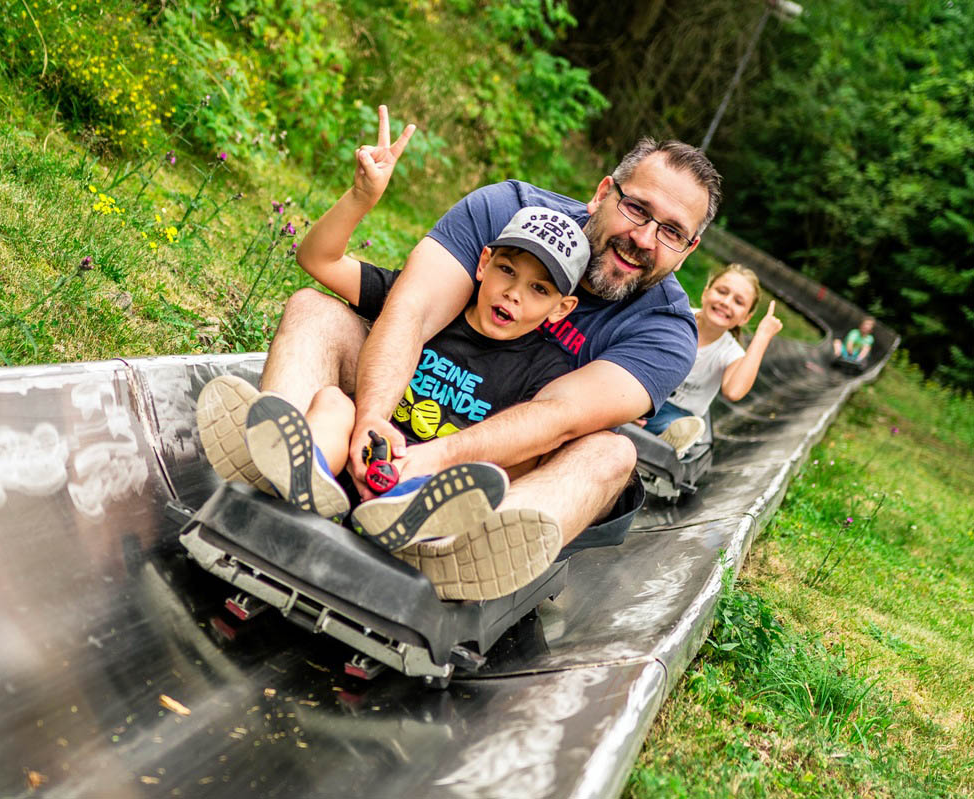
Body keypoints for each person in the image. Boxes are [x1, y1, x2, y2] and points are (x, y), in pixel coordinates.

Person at [200, 105, 721, 600]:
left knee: (613, 453)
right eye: (636, 209)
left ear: (690, 248)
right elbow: (411, 310)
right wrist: (374, 422)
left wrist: (429, 462)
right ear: (604, 192)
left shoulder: (666, 330)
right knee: (316, 310)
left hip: (484, 471)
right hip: (401, 410)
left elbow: (558, 417)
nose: (645, 239)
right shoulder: (507, 209)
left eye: (672, 231)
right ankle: (287, 464)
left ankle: (452, 551)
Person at [636, 264, 783, 457]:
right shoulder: (676, 316)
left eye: (738, 302)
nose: (726, 302)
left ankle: (668, 440)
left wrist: (762, 336)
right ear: (706, 293)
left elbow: (734, 391)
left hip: (677, 413)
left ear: (745, 318)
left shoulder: (729, 351)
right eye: (722, 292)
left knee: (677, 423)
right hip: (643, 392)